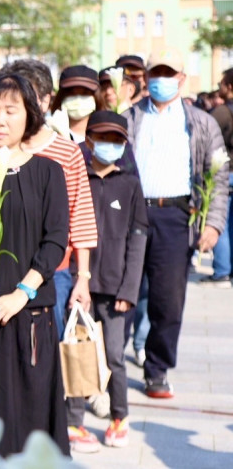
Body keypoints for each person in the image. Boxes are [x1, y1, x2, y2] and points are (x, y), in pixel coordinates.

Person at [122, 47, 228, 398]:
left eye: (170, 74)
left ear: (182, 79)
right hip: (132, 214)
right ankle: (110, 367)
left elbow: (220, 175)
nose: (162, 80)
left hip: (176, 216)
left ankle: (157, 369)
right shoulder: (129, 117)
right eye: (156, 73)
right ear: (146, 78)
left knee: (168, 301)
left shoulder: (201, 121)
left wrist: (212, 224)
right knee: (122, 294)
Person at [0, 74, 70, 457]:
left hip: (28, 313)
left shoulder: (47, 172)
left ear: (29, 116)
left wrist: (21, 293)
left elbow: (55, 241)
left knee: (30, 418)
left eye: (10, 110)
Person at [0, 60, 97, 344]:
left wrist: (84, 277)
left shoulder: (66, 152)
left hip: (55, 272)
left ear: (43, 101)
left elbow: (80, 216)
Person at [67, 111, 148, 451]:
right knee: (78, 351)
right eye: (102, 138)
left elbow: (138, 236)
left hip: (116, 288)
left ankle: (119, 416)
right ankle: (74, 422)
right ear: (89, 141)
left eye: (116, 140)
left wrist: (130, 289)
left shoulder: (129, 183)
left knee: (114, 354)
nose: (109, 145)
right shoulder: (75, 177)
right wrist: (73, 279)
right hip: (79, 283)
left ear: (124, 144)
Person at [202, 68, 233, 287]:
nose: (219, 87)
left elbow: (206, 135)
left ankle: (222, 271)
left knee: (220, 221)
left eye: (222, 83)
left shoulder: (221, 113)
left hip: (226, 172)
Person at [50, 65, 105, 143]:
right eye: (71, 93)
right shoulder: (48, 135)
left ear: (96, 96)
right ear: (61, 96)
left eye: (85, 93)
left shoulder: (108, 135)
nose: (78, 99)